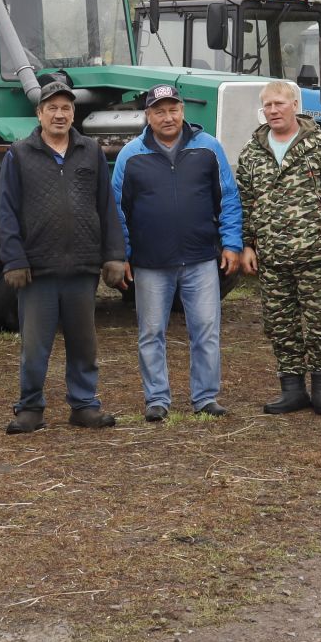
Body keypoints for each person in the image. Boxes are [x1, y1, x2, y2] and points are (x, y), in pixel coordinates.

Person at [0, 75, 130, 433]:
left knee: (84, 343)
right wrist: (14, 259)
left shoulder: (91, 151)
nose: (60, 114)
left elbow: (106, 205)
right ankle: (30, 408)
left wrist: (114, 255)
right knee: (35, 346)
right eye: (52, 108)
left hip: (82, 267)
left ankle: (85, 405)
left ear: (74, 114)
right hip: (37, 269)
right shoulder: (19, 154)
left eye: (66, 108)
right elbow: (6, 210)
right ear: (39, 113)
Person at [111, 84, 242, 421]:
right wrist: (123, 254)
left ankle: (205, 397)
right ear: (147, 115)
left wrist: (231, 243)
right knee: (151, 332)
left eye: (173, 109)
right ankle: (156, 399)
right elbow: (118, 210)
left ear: (182, 110)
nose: (167, 117)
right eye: (159, 111)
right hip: (151, 263)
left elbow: (228, 198)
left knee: (206, 330)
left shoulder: (208, 148)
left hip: (200, 259)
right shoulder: (131, 155)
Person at [234, 80, 321, 416]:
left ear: (295, 105)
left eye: (279, 104)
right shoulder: (252, 152)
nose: (273, 111)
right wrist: (247, 244)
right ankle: (291, 390)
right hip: (272, 256)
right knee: (279, 324)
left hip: (316, 252)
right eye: (268, 106)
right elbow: (245, 201)